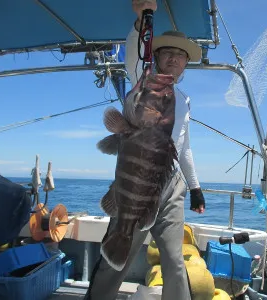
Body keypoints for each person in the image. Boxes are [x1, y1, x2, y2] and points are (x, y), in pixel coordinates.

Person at [85, 0, 205, 299]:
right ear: (157, 57)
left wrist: (195, 187)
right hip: (137, 179)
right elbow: (134, 56)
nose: (175, 60)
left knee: (174, 260)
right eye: (170, 54)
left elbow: (183, 146)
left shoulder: (184, 99)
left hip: (171, 185)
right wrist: (142, 21)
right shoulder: (145, 81)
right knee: (117, 259)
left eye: (182, 57)